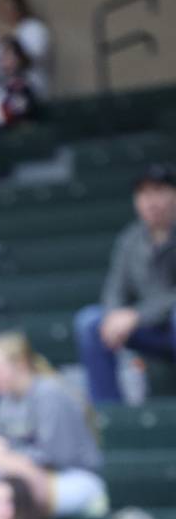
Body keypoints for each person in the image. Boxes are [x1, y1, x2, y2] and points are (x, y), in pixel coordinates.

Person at [74, 164, 176, 404]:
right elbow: (115, 288)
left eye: (159, 191)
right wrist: (113, 317)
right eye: (143, 194)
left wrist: (137, 315)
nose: (151, 201)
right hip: (151, 330)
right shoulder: (130, 239)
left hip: (166, 322)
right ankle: (108, 413)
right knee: (90, 322)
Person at [0, 332, 107, 518]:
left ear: (21, 364)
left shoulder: (49, 393)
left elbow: (56, 455)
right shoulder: (4, 401)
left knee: (9, 496)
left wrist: (9, 458)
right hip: (33, 478)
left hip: (76, 480)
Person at [0, 0, 52, 99]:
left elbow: (33, 57)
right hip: (3, 88)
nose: (6, 12)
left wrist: (11, 38)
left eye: (10, 7)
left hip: (30, 86)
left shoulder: (34, 28)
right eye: (2, 8)